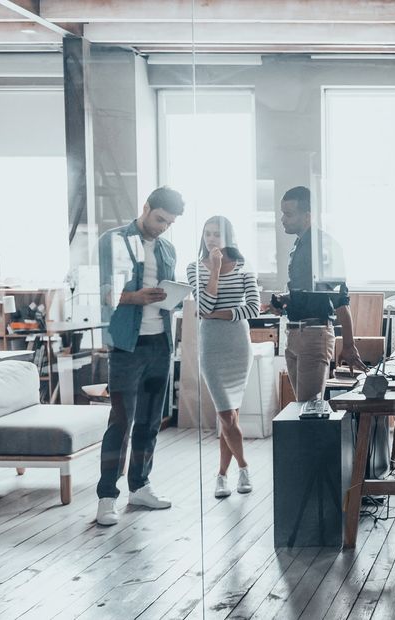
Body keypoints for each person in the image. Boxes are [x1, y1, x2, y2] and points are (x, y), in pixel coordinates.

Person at [95, 187, 184, 527]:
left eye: (169, 223)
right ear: (145, 208)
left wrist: (171, 298)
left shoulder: (167, 248)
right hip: (125, 347)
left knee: (149, 422)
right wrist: (136, 297)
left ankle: (140, 486)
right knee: (120, 422)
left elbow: (167, 294)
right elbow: (102, 291)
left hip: (160, 344)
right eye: (160, 218)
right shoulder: (113, 241)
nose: (163, 227)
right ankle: (106, 497)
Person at [267, 186, 367, 402]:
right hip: (295, 334)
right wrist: (285, 300)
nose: (283, 219)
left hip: (313, 335)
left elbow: (340, 299)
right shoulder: (300, 245)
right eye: (282, 213)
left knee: (309, 409)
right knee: (303, 408)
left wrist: (349, 345)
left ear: (308, 216)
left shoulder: (325, 247)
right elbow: (309, 294)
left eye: (289, 214)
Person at [186, 216, 260, 499]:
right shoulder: (194, 268)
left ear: (229, 237)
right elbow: (203, 304)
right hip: (212, 347)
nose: (211, 239)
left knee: (229, 417)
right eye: (207, 234)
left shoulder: (244, 267)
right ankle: (244, 466)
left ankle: (221, 476)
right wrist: (215, 269)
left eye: (217, 234)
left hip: (238, 345)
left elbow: (253, 308)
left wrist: (218, 315)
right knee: (227, 414)